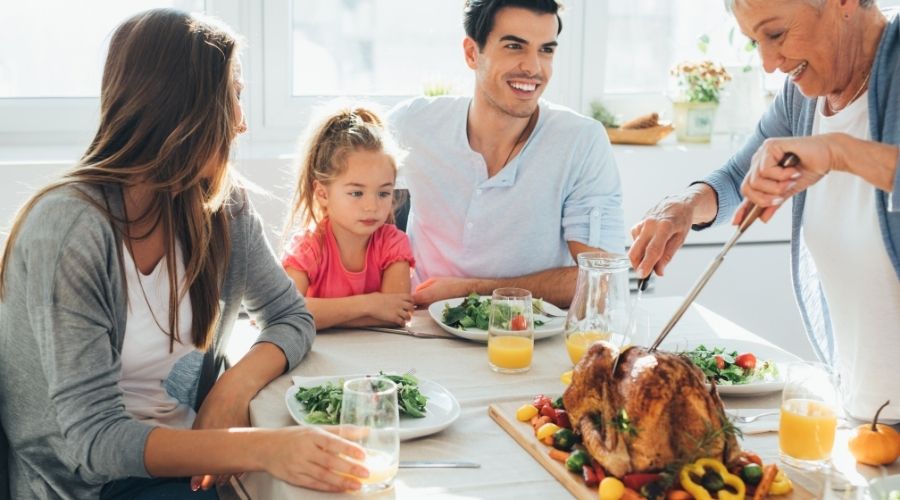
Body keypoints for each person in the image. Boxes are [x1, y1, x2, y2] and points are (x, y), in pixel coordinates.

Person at [0, 9, 370, 499]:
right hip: (89, 487)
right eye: (233, 96)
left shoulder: (220, 205)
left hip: (189, 466)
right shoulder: (69, 229)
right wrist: (258, 448)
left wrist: (232, 388)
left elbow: (289, 316)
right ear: (182, 110)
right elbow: (96, 442)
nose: (241, 124)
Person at [629, 0, 900, 422]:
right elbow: (740, 173)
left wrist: (839, 152)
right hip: (867, 413)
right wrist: (684, 206)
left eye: (775, 35)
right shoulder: (803, 97)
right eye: (756, 41)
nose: (770, 64)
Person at [388, 0, 625, 307]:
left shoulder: (581, 141)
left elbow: (602, 282)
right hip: (419, 326)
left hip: (530, 334)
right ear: (472, 53)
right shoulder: (411, 124)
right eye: (515, 46)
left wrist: (471, 290)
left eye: (546, 50)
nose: (534, 68)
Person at [282, 106, 416, 329]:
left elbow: (395, 314)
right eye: (356, 193)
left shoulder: (393, 244)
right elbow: (286, 313)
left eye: (383, 193)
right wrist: (370, 304)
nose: (372, 206)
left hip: (378, 354)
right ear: (323, 194)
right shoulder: (308, 248)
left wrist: (320, 313)